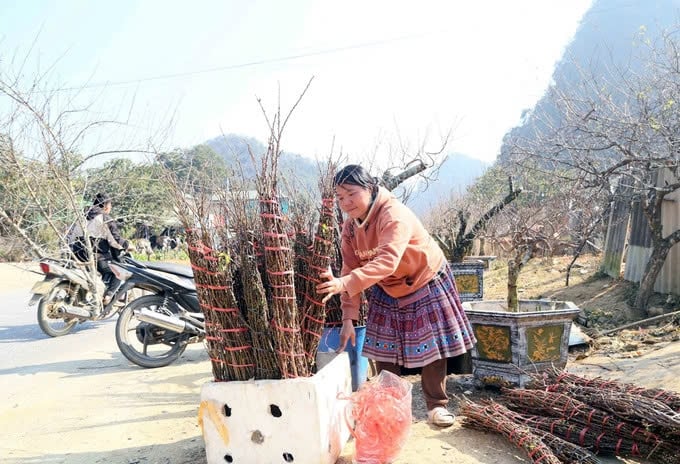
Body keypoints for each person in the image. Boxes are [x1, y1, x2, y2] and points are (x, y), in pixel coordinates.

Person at [317, 164, 476, 428]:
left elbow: (388, 260)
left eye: (351, 194)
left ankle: (436, 406)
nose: (345, 202)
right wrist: (348, 317)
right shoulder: (350, 228)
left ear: (368, 188)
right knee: (383, 349)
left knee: (432, 347)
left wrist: (344, 283)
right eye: (340, 197)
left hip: (425, 277)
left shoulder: (393, 214)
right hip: (385, 284)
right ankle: (389, 409)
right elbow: (349, 267)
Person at [80, 193, 129, 306]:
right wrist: (127, 245)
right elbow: (115, 239)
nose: (110, 208)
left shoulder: (82, 215)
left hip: (78, 254)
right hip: (96, 256)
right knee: (120, 270)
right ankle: (108, 296)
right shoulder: (104, 218)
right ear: (106, 205)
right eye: (110, 205)